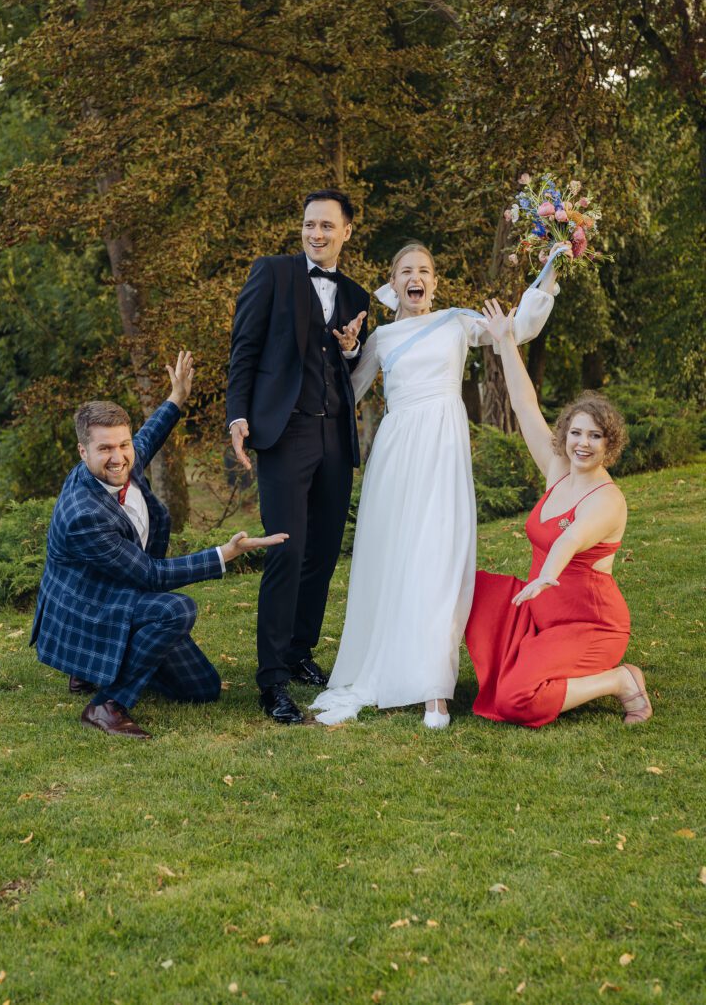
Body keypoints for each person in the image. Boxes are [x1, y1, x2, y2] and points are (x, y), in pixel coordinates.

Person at [310, 242, 560, 730]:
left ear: (434, 282)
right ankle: (392, 668)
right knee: (395, 559)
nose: (416, 278)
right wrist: (349, 351)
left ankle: (434, 689)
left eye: (424, 270)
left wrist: (552, 271)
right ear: (394, 282)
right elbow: (347, 392)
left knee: (440, 562)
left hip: (444, 452)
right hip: (396, 456)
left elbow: (518, 328)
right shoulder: (382, 337)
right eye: (406, 270)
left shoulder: (456, 322)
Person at [31, 351, 286, 739]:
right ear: (83, 452)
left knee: (202, 689)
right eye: (105, 449)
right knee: (175, 609)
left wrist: (176, 397)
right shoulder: (84, 514)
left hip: (119, 593)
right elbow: (150, 575)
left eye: (123, 444)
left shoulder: (123, 462)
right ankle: (106, 704)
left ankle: (102, 667)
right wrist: (226, 553)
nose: (118, 457)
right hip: (91, 611)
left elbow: (148, 436)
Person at [463, 299, 652, 727]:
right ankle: (426, 685)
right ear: (565, 435)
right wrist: (505, 341)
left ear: (609, 444)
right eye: (576, 433)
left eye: (595, 436)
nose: (583, 443)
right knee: (458, 587)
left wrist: (548, 573)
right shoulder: (558, 471)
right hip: (537, 611)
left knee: (516, 699)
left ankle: (620, 680)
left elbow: (570, 537)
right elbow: (525, 405)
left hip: (590, 626)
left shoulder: (607, 500)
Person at [226, 189, 370, 724]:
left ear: (346, 232)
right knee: (286, 551)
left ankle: (298, 650)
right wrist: (238, 417)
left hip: (335, 436)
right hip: (285, 435)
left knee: (324, 552)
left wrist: (352, 348)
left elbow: (347, 367)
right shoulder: (272, 273)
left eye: (327, 226)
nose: (316, 233)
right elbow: (244, 349)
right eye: (310, 224)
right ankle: (272, 683)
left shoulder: (355, 294)